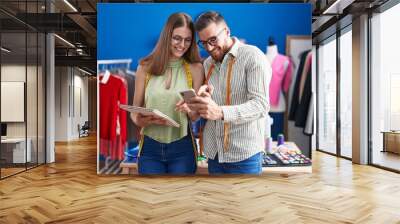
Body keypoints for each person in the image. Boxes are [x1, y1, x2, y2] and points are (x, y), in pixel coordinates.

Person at [187, 11, 272, 174]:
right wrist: (199, 102)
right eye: (203, 43)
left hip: (244, 157)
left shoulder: (253, 57)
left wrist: (220, 112)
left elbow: (261, 105)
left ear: (226, 31)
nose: (209, 48)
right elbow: (210, 107)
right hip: (214, 155)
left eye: (213, 40)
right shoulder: (208, 64)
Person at [131, 12, 204, 175]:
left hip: (183, 148)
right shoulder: (144, 68)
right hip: (150, 148)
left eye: (188, 40)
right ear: (167, 36)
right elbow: (135, 111)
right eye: (177, 38)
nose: (182, 45)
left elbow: (195, 116)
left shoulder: (196, 69)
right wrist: (140, 120)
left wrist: (190, 110)